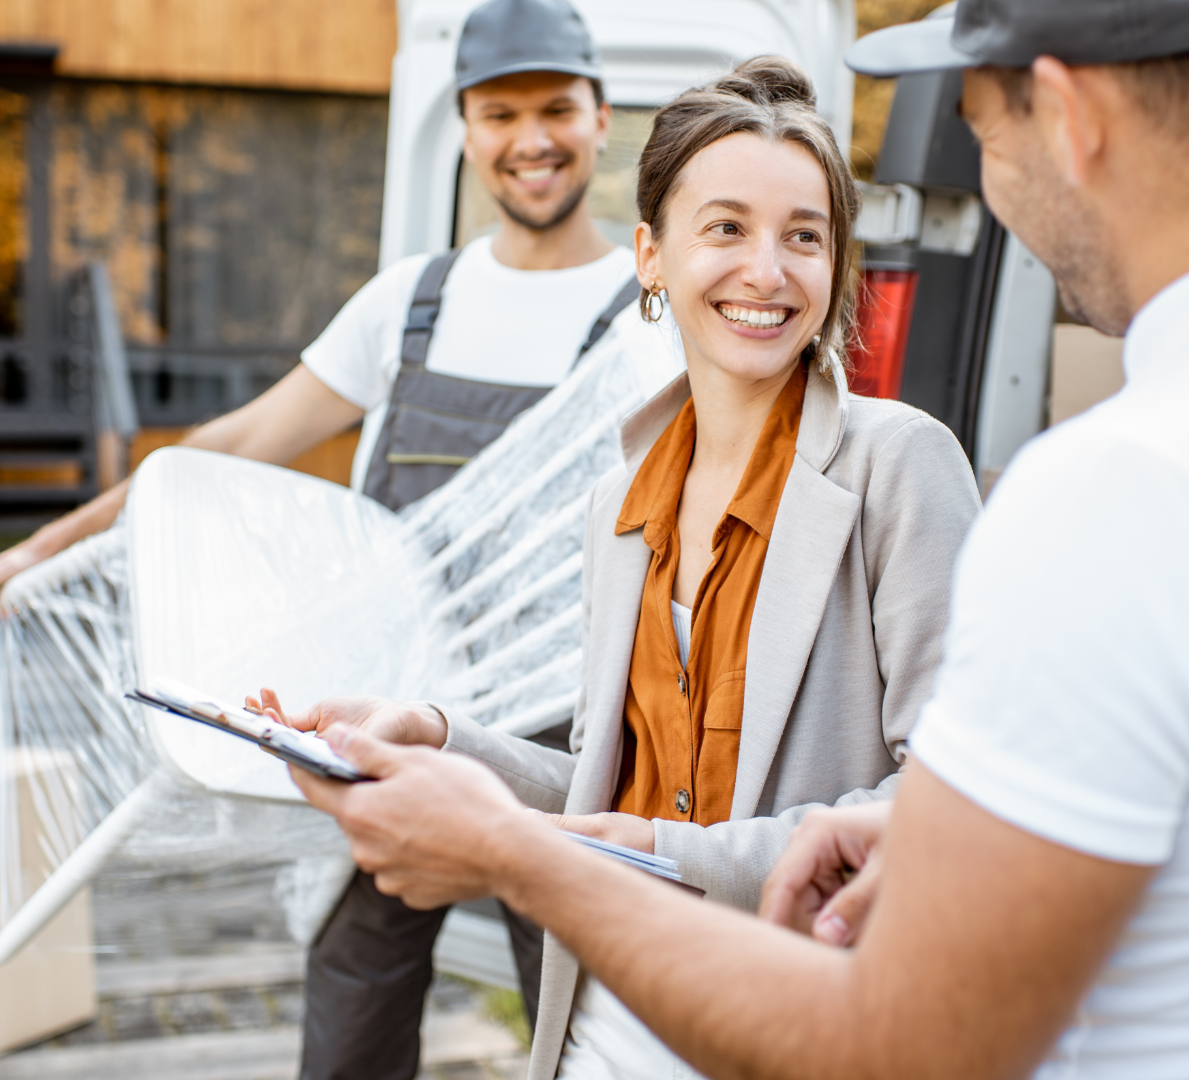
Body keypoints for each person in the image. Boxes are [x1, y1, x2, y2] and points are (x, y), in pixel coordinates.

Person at [287, 2, 1189, 1079]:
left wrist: (518, 855)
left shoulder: (1118, 491)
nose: (992, 182)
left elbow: (901, 1042)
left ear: (1070, 116)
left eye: (980, 125)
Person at [0, 1, 650, 1076]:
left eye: (557, 108)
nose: (532, 139)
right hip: (386, 727)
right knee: (352, 1022)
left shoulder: (647, 317)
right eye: (500, 112)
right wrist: (43, 550)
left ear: (602, 118)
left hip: (565, 747)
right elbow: (230, 447)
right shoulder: (410, 304)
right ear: (464, 127)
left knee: (587, 1033)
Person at [261, 56, 979, 1080]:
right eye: (725, 228)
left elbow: (952, 807)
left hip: (793, 1024)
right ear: (650, 254)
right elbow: (601, 796)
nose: (767, 272)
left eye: (804, 237)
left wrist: (658, 859)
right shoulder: (621, 504)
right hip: (602, 1030)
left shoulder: (900, 465)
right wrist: (433, 734)